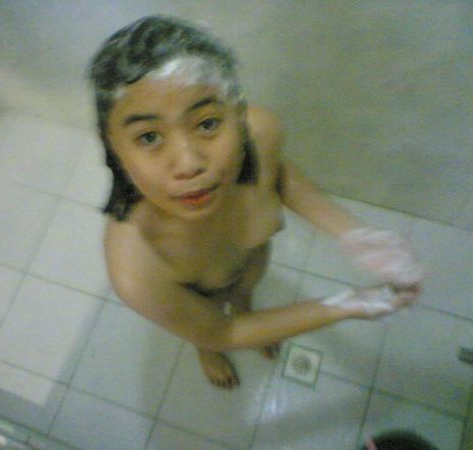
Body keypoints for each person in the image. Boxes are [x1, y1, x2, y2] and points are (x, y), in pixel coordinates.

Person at [89, 15, 424, 389]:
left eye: (207, 123)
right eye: (149, 137)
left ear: (238, 112)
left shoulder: (261, 132)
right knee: (208, 330)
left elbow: (277, 176)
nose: (189, 164)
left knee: (244, 295)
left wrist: (355, 235)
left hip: (250, 264)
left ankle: (247, 306)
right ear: (113, 145)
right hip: (203, 300)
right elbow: (221, 331)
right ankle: (206, 351)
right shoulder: (136, 266)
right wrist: (346, 306)